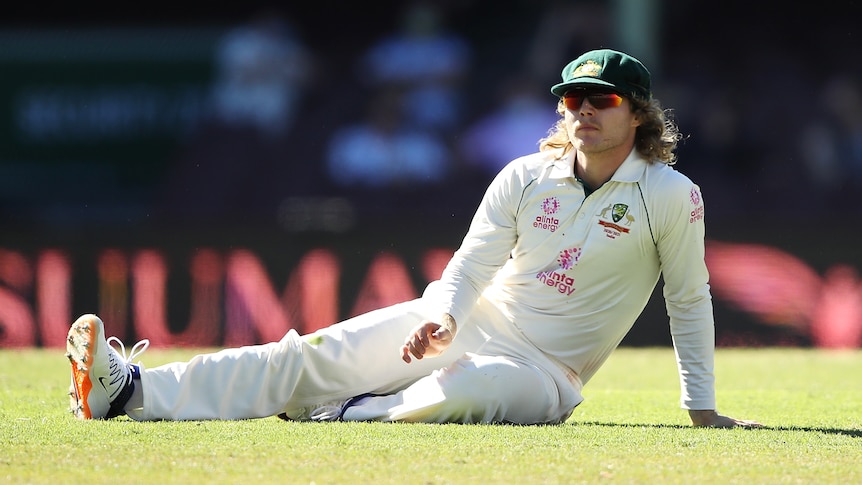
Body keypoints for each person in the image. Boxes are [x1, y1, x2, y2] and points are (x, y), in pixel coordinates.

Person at [65, 49, 760, 428]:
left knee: (464, 390)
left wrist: (699, 407)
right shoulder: (525, 174)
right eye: (571, 99)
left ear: (637, 113)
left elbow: (690, 301)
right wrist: (443, 315)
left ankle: (345, 411)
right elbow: (472, 261)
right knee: (308, 353)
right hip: (470, 321)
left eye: (600, 100)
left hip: (549, 373)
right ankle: (127, 392)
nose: (581, 111)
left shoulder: (672, 194)